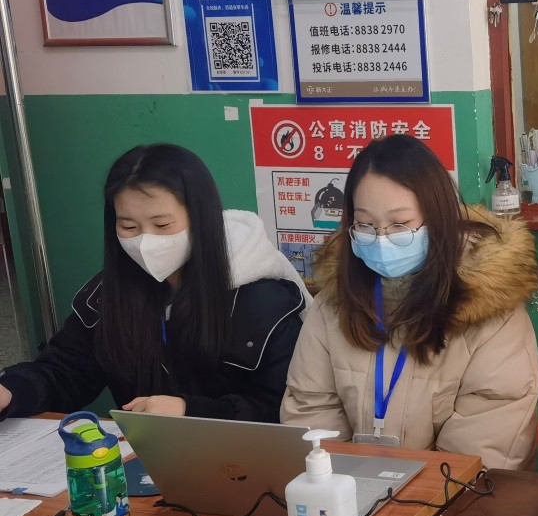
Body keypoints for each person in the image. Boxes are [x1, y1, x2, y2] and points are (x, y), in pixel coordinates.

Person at [282, 134, 538, 467]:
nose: (381, 238)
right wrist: (340, 484)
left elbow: (486, 450)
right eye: (364, 224)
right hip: (347, 489)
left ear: (438, 219)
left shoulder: (494, 314)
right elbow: (309, 410)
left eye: (400, 224)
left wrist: (402, 492)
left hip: (455, 493)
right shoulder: (332, 305)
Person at [0, 144, 309, 421]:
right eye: (128, 226)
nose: (145, 241)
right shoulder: (108, 294)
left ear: (202, 220)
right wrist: (12, 391)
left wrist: (189, 410)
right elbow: (67, 369)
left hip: (238, 458)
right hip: (145, 454)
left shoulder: (263, 300)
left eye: (162, 225)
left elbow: (281, 408)